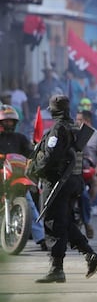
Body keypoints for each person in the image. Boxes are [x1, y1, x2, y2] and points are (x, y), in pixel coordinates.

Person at [32, 95, 97, 283]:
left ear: (53, 111)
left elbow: (50, 157)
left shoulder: (58, 129)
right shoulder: (73, 127)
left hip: (57, 182)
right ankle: (90, 255)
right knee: (65, 222)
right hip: (72, 182)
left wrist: (34, 168)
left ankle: (57, 268)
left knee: (54, 223)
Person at [0, 104, 46, 251]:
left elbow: (30, 153)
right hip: (1, 176)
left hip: (15, 176)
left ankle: (41, 238)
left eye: (11, 121)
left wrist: (36, 152)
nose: (9, 123)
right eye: (6, 121)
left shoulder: (20, 138)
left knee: (30, 204)